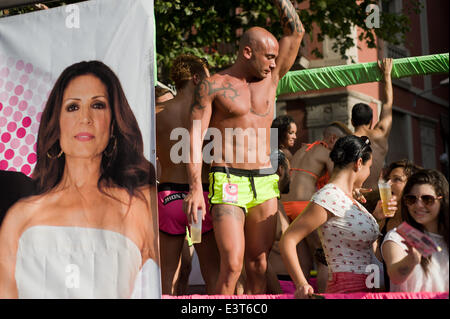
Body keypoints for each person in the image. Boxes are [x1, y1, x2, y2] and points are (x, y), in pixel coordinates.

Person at [0, 61, 160, 298]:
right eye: (73, 107)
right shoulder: (21, 217)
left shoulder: (141, 205)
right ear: (57, 123)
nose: (85, 118)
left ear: (114, 124)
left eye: (97, 105)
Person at [183, 0, 304, 295]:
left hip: (265, 180)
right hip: (227, 179)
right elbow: (194, 139)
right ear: (247, 52)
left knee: (259, 264)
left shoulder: (272, 79)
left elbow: (297, 30)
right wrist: (196, 188)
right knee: (233, 265)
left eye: (276, 58)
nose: (275, 64)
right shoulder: (212, 86)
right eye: (269, 57)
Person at [280, 135, 385, 297]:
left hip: (369, 287)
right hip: (346, 290)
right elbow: (288, 240)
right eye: (369, 166)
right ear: (358, 164)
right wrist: (302, 284)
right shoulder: (328, 197)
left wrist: (376, 216)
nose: (370, 172)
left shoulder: (346, 198)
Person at [156, 54, 219, 295]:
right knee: (211, 270)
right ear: (196, 78)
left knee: (168, 273)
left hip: (169, 197)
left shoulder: (158, 112)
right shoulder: (209, 110)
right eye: (207, 76)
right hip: (199, 199)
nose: (211, 81)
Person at [280, 121, 352, 292]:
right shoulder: (327, 152)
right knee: (323, 258)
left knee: (303, 259)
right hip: (304, 205)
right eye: (341, 143)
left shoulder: (302, 149)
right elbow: (338, 180)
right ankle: (324, 296)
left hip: (285, 206)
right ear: (333, 139)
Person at [381, 169, 449, 292]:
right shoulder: (398, 237)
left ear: (442, 200)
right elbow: (395, 275)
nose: (418, 205)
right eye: (411, 199)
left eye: (427, 199)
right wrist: (411, 260)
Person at [352, 58, 393, 190]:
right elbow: (388, 103)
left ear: (352, 121)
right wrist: (387, 75)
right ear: (371, 121)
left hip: (354, 195)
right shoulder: (380, 134)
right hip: (374, 193)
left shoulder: (347, 141)